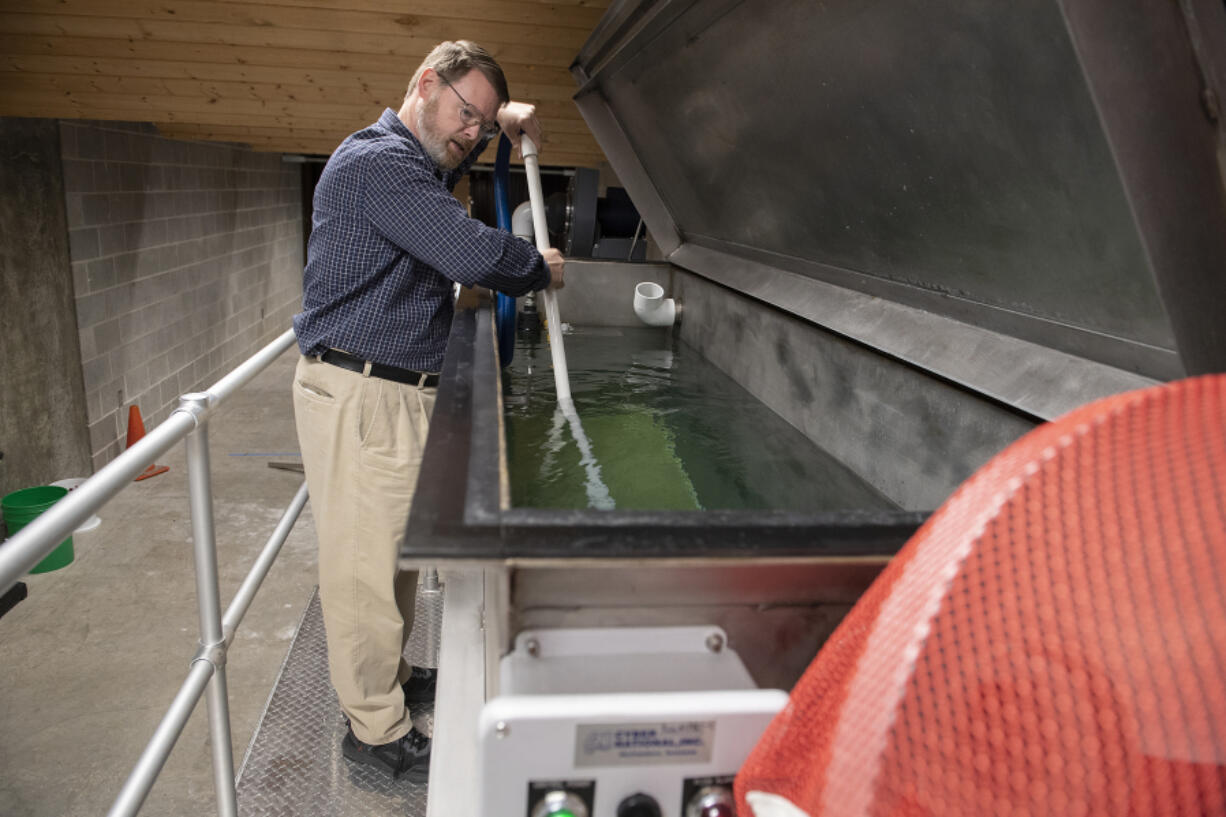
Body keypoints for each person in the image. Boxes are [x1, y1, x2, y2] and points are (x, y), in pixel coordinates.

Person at [290, 40, 565, 782]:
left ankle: (395, 675)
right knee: (362, 569)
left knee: (391, 558)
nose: (469, 134)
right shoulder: (377, 162)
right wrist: (539, 266)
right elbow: (470, 253)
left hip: (390, 388)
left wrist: (498, 124)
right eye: (464, 113)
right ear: (424, 84)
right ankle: (373, 732)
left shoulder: (411, 163)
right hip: (361, 392)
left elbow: (450, 169)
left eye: (479, 125)